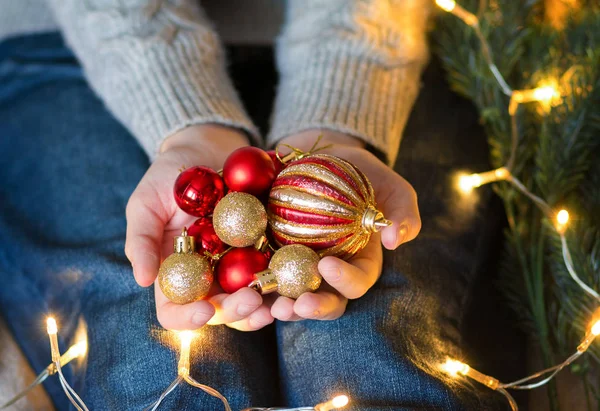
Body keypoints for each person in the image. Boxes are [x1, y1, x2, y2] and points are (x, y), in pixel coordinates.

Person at [0, 0, 482, 409]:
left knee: (368, 341)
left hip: (369, 43)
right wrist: (184, 120)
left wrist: (340, 116)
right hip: (67, 38)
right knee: (155, 353)